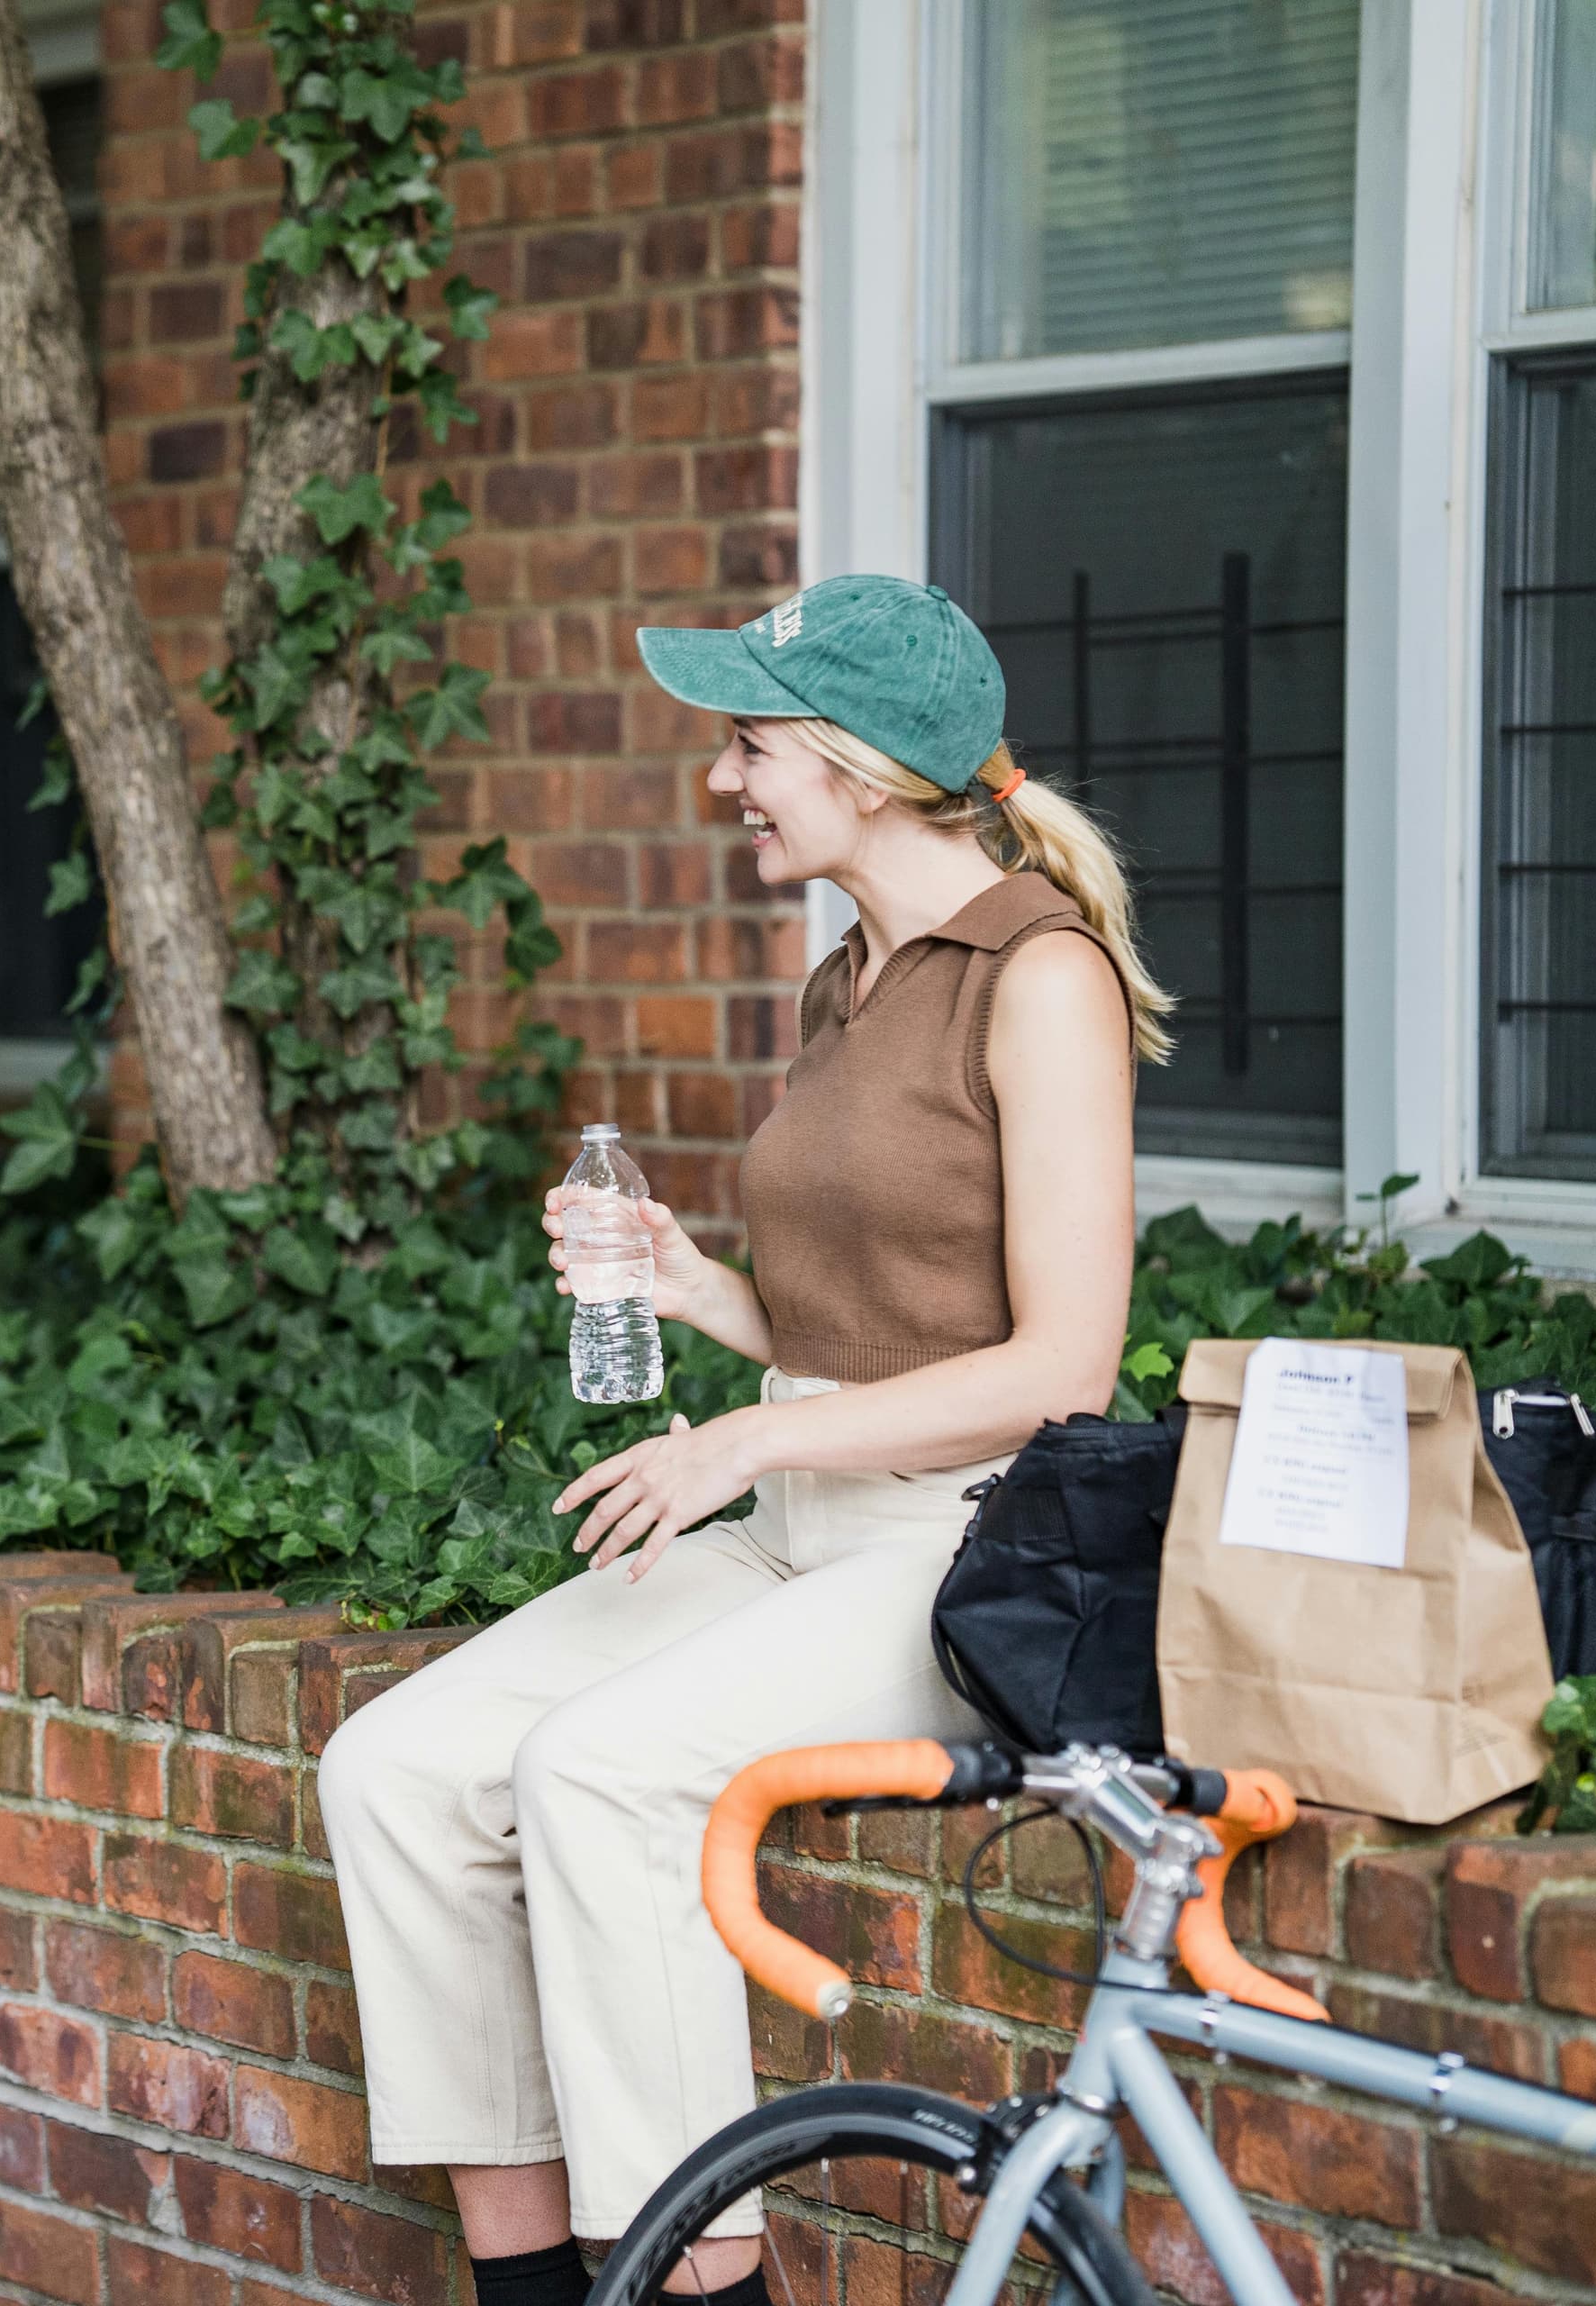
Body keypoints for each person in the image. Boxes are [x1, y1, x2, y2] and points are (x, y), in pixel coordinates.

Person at [315, 576, 1167, 2304]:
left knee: (603, 1774)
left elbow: (1059, 1368)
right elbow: (864, 1324)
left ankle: (701, 2284)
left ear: (861, 765)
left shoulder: (1040, 979)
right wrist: (697, 1290)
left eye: (752, 746)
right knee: (394, 1774)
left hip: (958, 1547)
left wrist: (725, 1453)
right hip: (799, 1521)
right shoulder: (846, 980)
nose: (725, 781)